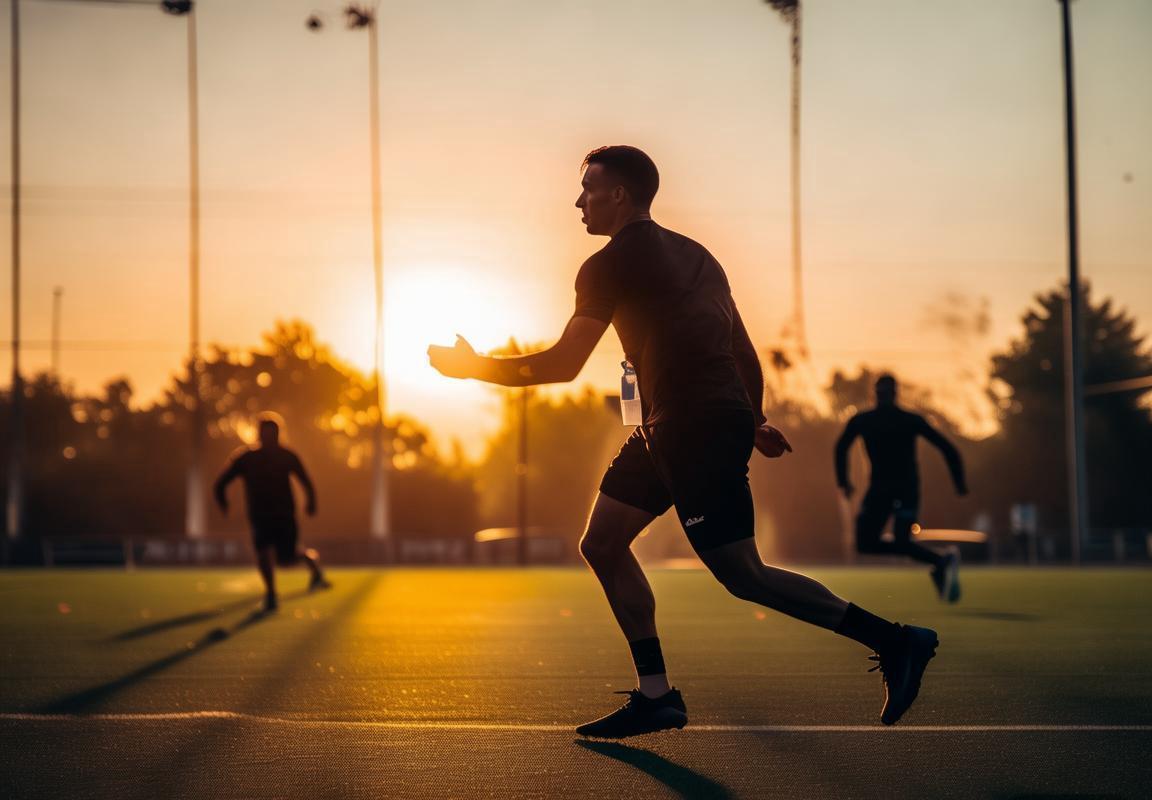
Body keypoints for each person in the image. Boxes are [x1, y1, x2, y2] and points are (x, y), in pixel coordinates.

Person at [428, 145, 938, 737]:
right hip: (672, 426)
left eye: (588, 188)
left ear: (620, 194)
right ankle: (656, 694)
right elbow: (740, 348)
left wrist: (474, 370)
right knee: (603, 542)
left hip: (691, 426)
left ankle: (896, 641)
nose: (578, 200)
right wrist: (752, 420)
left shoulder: (606, 264)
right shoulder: (700, 256)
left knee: (744, 573)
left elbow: (564, 366)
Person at [834, 374, 968, 602]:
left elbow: (947, 448)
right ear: (876, 394)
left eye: (886, 393)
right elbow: (841, 448)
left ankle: (941, 562)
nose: (883, 397)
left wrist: (959, 482)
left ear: (893, 394)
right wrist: (844, 482)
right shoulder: (865, 420)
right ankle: (941, 561)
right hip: (880, 491)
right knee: (865, 543)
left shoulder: (905, 420)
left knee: (901, 542)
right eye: (881, 393)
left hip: (906, 490)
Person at [214, 414, 329, 613]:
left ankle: (314, 568)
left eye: (272, 434)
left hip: (285, 514)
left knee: (288, 558)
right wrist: (223, 503)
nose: (269, 439)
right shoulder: (246, 458)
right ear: (259, 435)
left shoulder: (287, 456)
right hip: (259, 515)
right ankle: (271, 593)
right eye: (265, 434)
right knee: (263, 551)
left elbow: (305, 480)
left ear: (278, 435)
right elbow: (220, 483)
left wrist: (311, 501)